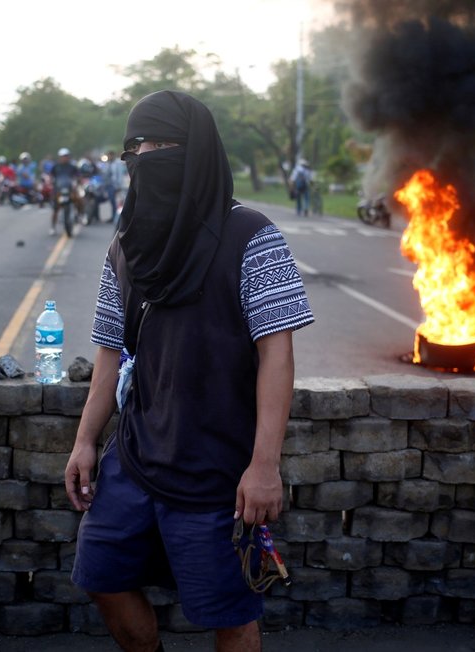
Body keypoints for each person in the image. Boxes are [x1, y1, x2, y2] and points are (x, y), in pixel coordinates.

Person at [64, 90, 315, 652]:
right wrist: (85, 441)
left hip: (217, 469)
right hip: (133, 457)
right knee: (101, 576)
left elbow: (278, 355)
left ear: (196, 151)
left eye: (159, 144)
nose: (144, 156)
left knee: (231, 616)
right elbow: (109, 353)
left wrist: (264, 466)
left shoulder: (252, 236)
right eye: (135, 146)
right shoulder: (126, 248)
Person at [49, 147, 81, 235]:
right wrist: (51, 181)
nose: (65, 158)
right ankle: (53, 227)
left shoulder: (72, 167)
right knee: (55, 209)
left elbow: (78, 175)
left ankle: (79, 215)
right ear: (60, 157)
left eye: (66, 156)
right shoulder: (56, 167)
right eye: (63, 156)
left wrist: (78, 180)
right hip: (58, 190)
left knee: (79, 199)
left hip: (70, 189)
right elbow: (51, 176)